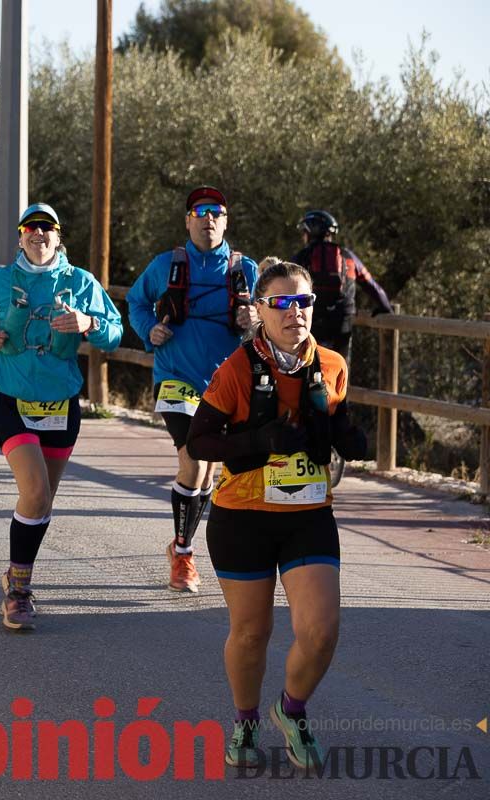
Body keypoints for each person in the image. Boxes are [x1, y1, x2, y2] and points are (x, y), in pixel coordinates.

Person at [186, 260, 366, 770]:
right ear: (259, 310)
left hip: (307, 514)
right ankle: (245, 720)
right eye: (282, 303)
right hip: (242, 516)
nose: (295, 313)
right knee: (252, 632)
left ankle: (291, 709)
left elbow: (341, 421)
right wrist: (260, 441)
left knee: (322, 630)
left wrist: (348, 437)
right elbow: (199, 442)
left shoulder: (330, 364)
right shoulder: (238, 369)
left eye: (303, 302)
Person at [0, 203, 122, 630]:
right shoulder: (0, 279)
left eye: (46, 228)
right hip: (11, 397)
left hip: (61, 401)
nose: (38, 234)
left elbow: (116, 331)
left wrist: (88, 320)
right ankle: (19, 589)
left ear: (58, 236)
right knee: (34, 492)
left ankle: (17, 573)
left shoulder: (80, 282)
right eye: (30, 227)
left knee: (42, 500)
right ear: (20, 237)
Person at [126, 186, 259, 593]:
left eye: (216, 212)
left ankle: (180, 546)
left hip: (224, 382)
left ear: (226, 220)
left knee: (208, 473)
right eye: (200, 212)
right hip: (176, 376)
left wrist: (255, 316)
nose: (208, 219)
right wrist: (151, 330)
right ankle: (184, 556)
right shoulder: (167, 265)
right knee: (194, 460)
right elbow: (136, 303)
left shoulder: (245, 270)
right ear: (188, 220)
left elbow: (271, 316)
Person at [292, 210, 393, 364]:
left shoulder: (303, 256)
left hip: (315, 319)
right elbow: (372, 285)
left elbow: (286, 284)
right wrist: (386, 308)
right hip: (343, 320)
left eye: (304, 232)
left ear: (311, 232)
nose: (303, 236)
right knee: (340, 365)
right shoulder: (348, 257)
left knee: (311, 365)